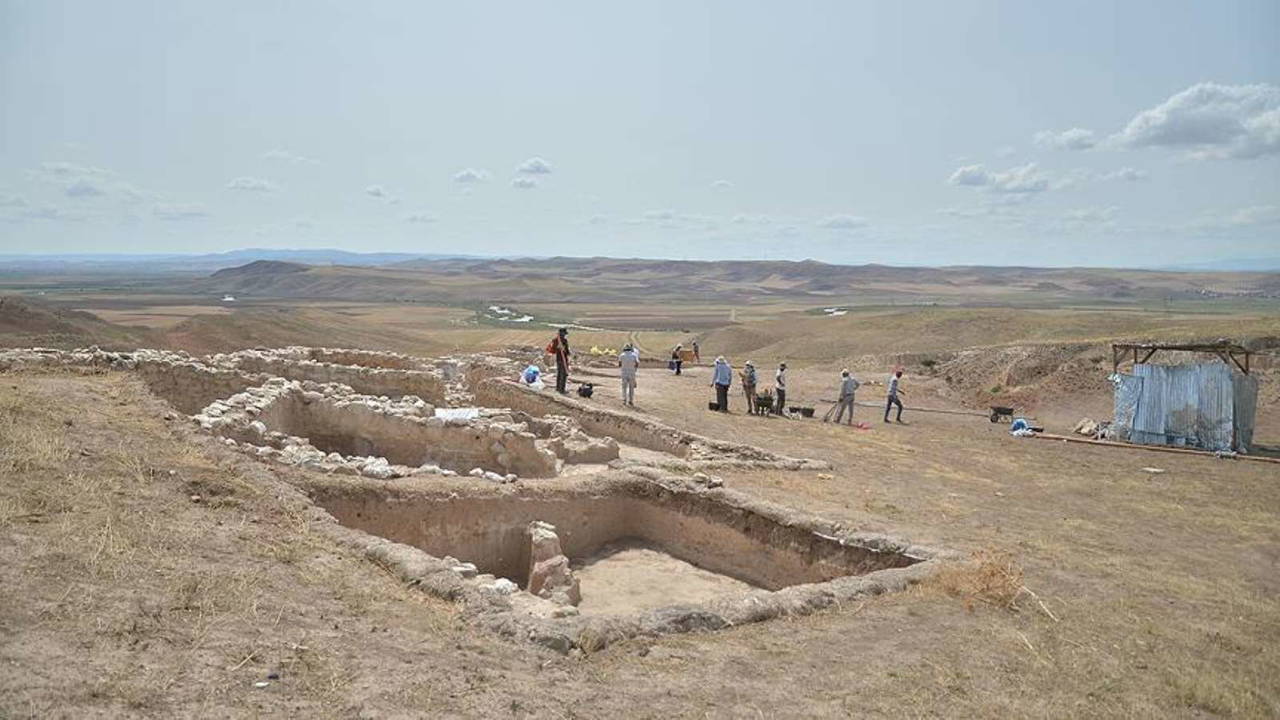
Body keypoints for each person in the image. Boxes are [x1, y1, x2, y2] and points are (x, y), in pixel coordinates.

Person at [546, 327, 570, 394]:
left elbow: (553, 350)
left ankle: (558, 388)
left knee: (559, 373)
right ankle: (561, 389)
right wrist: (563, 349)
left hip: (558, 359)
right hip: (563, 359)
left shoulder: (555, 340)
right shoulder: (564, 341)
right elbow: (567, 352)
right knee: (563, 374)